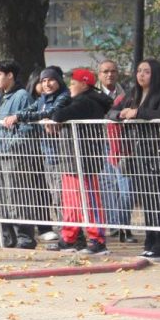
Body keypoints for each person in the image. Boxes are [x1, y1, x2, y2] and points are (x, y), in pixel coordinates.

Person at [47, 68, 112, 254]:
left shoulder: (86, 101)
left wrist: (56, 113)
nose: (69, 87)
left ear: (84, 84)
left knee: (89, 202)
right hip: (72, 160)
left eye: (73, 82)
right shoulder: (81, 99)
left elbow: (58, 115)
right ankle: (69, 238)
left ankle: (97, 240)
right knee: (71, 203)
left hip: (84, 161)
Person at [5, 67, 71, 242]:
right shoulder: (42, 98)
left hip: (63, 154)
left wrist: (20, 118)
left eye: (51, 80)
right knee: (54, 195)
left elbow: (48, 112)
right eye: (43, 81)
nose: (47, 84)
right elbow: (31, 109)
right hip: (47, 154)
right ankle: (65, 232)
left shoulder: (64, 96)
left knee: (62, 196)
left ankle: (69, 234)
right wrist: (18, 115)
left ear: (59, 81)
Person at [108, 59, 160, 259]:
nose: (141, 75)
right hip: (140, 155)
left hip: (156, 153)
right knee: (148, 200)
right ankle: (150, 239)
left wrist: (139, 112)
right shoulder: (133, 94)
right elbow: (111, 111)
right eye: (139, 71)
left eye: (146, 71)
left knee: (158, 200)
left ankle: (159, 243)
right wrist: (120, 115)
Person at [0, 61, 35, 248]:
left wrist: (10, 145)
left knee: (18, 196)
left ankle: (25, 237)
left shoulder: (22, 96)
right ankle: (7, 236)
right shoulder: (0, 97)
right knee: (1, 197)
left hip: (15, 155)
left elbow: (28, 128)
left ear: (10, 75)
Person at [96, 60, 134, 243]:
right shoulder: (93, 93)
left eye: (113, 71)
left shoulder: (126, 93)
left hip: (122, 146)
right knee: (108, 186)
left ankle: (123, 225)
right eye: (105, 71)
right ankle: (114, 224)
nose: (109, 74)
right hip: (100, 143)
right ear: (99, 74)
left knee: (126, 188)